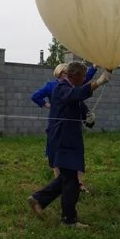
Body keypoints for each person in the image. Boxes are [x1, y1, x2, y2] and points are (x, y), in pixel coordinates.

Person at [27, 61, 111, 228]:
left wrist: (89, 119)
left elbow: (78, 103)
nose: (84, 80)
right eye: (82, 77)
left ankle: (38, 199)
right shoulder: (60, 88)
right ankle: (69, 220)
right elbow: (76, 94)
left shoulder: (70, 89)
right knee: (71, 181)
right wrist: (99, 81)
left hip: (69, 140)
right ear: (74, 76)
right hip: (63, 141)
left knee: (67, 177)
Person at [31, 62, 98, 192]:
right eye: (67, 71)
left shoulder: (73, 85)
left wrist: (94, 67)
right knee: (58, 157)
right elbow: (35, 96)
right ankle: (60, 185)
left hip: (71, 126)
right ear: (62, 73)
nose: (70, 73)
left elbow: (85, 79)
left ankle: (77, 183)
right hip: (58, 126)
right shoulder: (53, 86)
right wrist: (47, 105)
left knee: (75, 156)